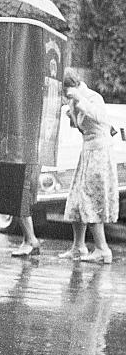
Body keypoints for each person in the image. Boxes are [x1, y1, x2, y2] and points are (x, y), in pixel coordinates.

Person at [60, 70, 117, 264]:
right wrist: (72, 112)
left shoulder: (93, 97)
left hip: (99, 152)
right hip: (87, 150)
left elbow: (101, 118)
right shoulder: (73, 101)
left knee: (91, 198)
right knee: (77, 197)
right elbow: (81, 126)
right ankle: (78, 247)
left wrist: (79, 100)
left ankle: (102, 249)